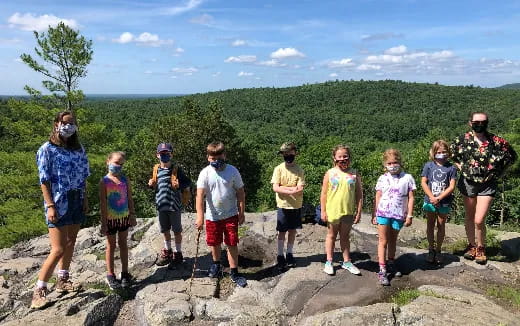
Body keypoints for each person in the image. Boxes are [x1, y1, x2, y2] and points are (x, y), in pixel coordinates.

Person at [32, 111, 90, 309]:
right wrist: (50, 206)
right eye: (65, 122)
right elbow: (44, 180)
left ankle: (63, 280)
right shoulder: (46, 149)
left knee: (71, 242)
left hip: (76, 198)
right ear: (56, 124)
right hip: (58, 201)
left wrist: (84, 198)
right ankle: (39, 290)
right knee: (57, 249)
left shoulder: (78, 149)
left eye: (72, 123)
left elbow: (84, 176)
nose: (69, 126)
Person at [450, 112, 517, 265]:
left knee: (479, 219)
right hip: (468, 183)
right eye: (476, 122)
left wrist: (500, 174)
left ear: (487, 122)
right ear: (470, 123)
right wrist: (461, 167)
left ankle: (481, 247)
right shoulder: (462, 140)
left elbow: (512, 157)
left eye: (483, 122)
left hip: (488, 184)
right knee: (469, 216)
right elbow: (451, 154)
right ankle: (471, 246)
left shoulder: (497, 141)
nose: (479, 124)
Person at [195, 141, 247, 287]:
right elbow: (199, 195)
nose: (216, 161)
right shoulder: (205, 173)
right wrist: (200, 216)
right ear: (208, 157)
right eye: (213, 159)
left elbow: (240, 192)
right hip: (212, 216)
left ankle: (234, 272)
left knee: (231, 243)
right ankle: (216, 264)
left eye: (219, 158)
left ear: (224, 155)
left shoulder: (232, 171)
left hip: (230, 214)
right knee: (215, 242)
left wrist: (241, 211)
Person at [372, 149, 416, 286]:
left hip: (398, 214)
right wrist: (375, 214)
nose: (392, 165)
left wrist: (409, 215)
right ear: (385, 164)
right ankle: (382, 269)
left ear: (400, 162)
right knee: (383, 240)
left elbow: (411, 197)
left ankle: (391, 262)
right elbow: (378, 196)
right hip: (383, 213)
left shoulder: (407, 178)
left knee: (393, 240)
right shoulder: (382, 178)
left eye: (395, 162)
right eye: (389, 163)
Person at [320, 144, 363, 276]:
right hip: (332, 210)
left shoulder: (354, 173)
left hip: (348, 211)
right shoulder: (330, 173)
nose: (343, 159)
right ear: (334, 158)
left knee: (345, 236)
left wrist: (359, 211)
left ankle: (347, 261)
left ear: (349, 157)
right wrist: (323, 211)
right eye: (340, 156)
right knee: (331, 236)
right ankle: (329, 261)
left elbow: (359, 194)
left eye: (345, 156)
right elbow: (324, 194)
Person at [148, 143, 191, 266]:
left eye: (167, 154)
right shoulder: (156, 169)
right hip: (161, 206)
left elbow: (187, 182)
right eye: (162, 154)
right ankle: (167, 251)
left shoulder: (176, 170)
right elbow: (156, 186)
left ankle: (178, 253)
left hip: (174, 206)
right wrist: (150, 185)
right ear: (157, 155)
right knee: (165, 230)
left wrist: (179, 186)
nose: (164, 156)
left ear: (171, 155)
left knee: (177, 231)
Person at [99, 151, 137, 289]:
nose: (118, 166)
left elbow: (129, 198)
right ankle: (110, 275)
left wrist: (132, 215)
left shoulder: (125, 180)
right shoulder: (104, 182)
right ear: (108, 161)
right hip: (110, 220)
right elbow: (103, 204)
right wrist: (104, 223)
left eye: (121, 164)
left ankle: (125, 273)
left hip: (123, 218)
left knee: (123, 244)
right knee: (111, 245)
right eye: (116, 163)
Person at [421, 140, 457, 264]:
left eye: (444, 152)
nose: (441, 154)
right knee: (430, 225)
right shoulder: (428, 166)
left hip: (444, 202)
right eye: (439, 152)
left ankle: (438, 250)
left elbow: (452, 186)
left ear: (448, 152)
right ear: (434, 152)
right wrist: (431, 197)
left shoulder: (451, 168)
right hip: (430, 200)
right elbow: (423, 182)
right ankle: (430, 249)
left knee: (441, 226)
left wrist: (439, 198)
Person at [271, 142, 305, 270]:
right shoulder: (278, 169)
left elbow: (300, 188)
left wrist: (283, 189)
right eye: (285, 154)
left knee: (292, 230)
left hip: (296, 205)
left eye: (290, 153)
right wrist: (291, 190)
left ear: (295, 153)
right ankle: (280, 255)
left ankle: (289, 253)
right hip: (283, 205)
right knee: (282, 231)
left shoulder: (299, 170)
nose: (288, 156)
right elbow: (275, 187)